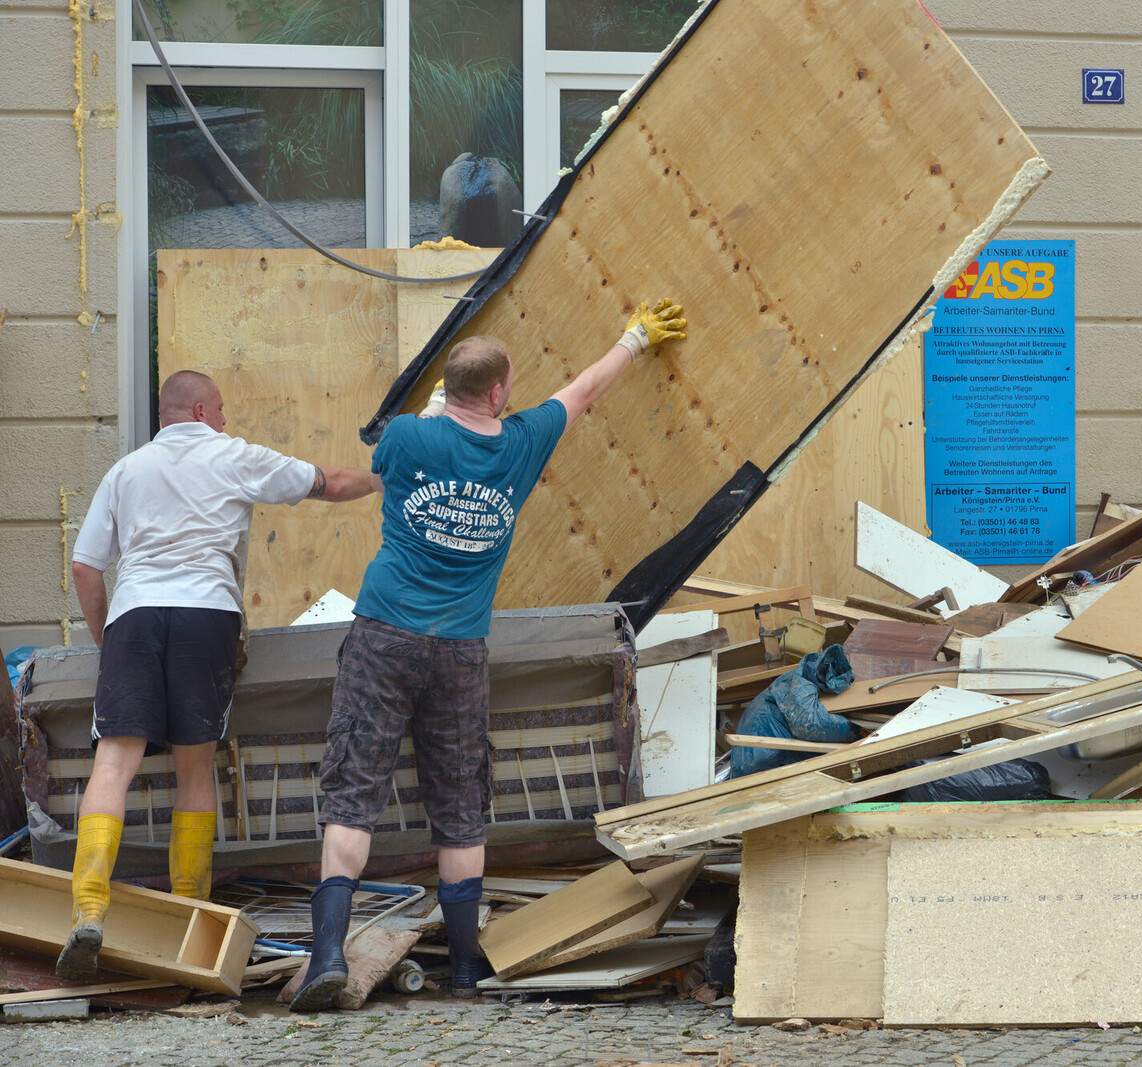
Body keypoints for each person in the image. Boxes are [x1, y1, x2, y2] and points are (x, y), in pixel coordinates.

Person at [291, 298, 687, 1011]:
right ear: (502, 390)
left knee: (354, 790)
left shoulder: (409, 437)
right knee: (461, 801)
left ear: (449, 387)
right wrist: (634, 336)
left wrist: (440, 407)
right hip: (461, 650)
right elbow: (586, 389)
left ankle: (326, 954)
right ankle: (468, 966)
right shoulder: (523, 441)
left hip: (384, 635)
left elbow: (390, 454)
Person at [59, 370, 378, 980]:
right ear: (202, 410)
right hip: (207, 613)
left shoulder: (125, 471)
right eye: (224, 410)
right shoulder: (234, 456)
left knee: (113, 765)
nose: (228, 422)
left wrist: (110, 642)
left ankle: (88, 911)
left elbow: (85, 567)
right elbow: (330, 483)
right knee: (195, 766)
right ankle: (189, 913)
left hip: (136, 616)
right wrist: (388, 476)